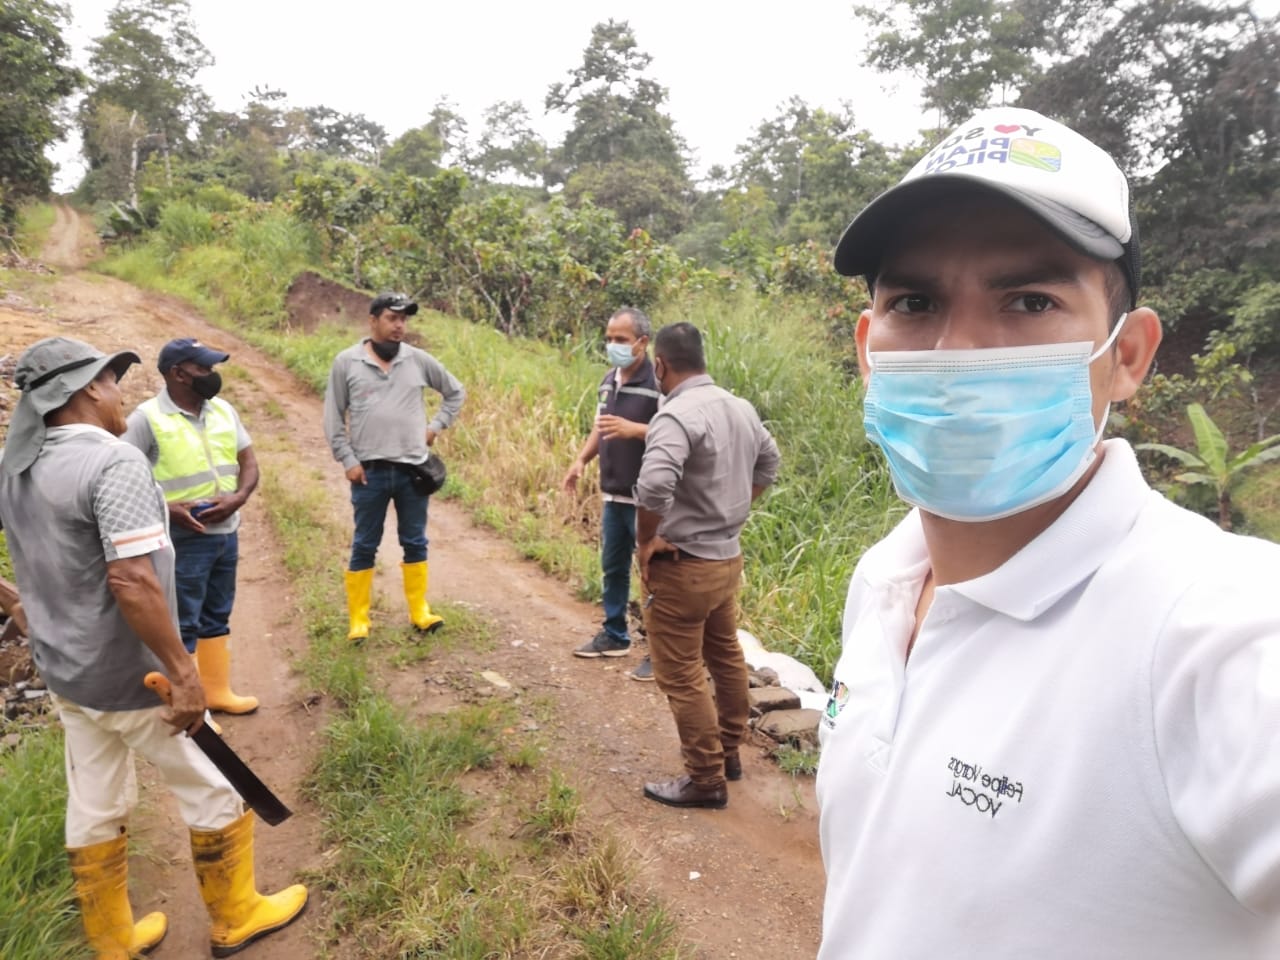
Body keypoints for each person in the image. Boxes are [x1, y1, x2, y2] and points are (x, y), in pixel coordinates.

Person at [816, 107, 1280, 958]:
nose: (957, 349)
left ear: (1127, 355)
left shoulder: (1211, 629)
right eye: (915, 303)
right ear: (868, 350)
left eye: (1030, 301)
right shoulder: (884, 580)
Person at [0, 336, 307, 959]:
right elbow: (131, 581)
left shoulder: (16, 463)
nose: (120, 394)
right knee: (215, 787)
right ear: (89, 388)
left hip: (67, 676)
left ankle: (112, 940)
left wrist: (15, 603)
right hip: (136, 678)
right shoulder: (112, 462)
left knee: (95, 801)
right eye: (113, 381)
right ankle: (236, 916)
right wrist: (183, 673)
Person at [634, 322, 781, 809]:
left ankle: (705, 778)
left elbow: (654, 486)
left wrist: (646, 539)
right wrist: (732, 509)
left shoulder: (675, 416)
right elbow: (770, 462)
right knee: (724, 656)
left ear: (660, 365)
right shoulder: (739, 407)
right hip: (726, 560)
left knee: (682, 675)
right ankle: (729, 753)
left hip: (683, 566)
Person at [123, 338, 260, 715]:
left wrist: (239, 497)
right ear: (177, 374)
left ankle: (217, 692)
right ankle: (191, 706)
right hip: (181, 540)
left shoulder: (223, 410)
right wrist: (166, 509)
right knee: (182, 623)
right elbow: (118, 480)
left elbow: (248, 461)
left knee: (217, 614)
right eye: (203, 368)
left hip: (226, 533)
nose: (212, 375)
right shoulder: (146, 419)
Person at [324, 291, 465, 642]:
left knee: (415, 540)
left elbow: (455, 392)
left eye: (403, 319)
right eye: (392, 318)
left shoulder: (417, 360)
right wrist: (347, 459)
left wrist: (435, 427)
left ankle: (419, 611)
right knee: (365, 543)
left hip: (412, 470)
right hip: (368, 472)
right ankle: (359, 620)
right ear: (373, 320)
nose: (399, 325)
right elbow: (333, 417)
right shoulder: (347, 362)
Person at [562, 306, 661, 678]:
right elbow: (600, 426)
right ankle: (615, 634)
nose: (613, 345)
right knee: (613, 567)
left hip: (647, 498)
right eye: (609, 339)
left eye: (621, 339)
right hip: (613, 493)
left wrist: (635, 429)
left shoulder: (658, 384)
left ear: (642, 342)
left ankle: (661, 651)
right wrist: (580, 460)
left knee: (653, 574)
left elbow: (677, 430)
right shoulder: (609, 380)